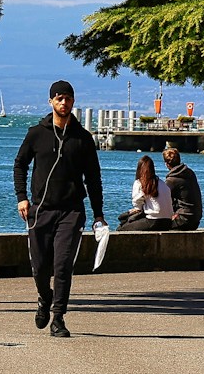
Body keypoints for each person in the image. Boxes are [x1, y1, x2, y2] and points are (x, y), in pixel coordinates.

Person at [13, 80, 106, 338]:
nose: (64, 103)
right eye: (59, 98)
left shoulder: (83, 139)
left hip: (72, 212)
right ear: (51, 102)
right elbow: (19, 165)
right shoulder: (36, 133)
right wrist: (22, 198)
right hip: (40, 210)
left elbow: (94, 179)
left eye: (68, 99)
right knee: (40, 266)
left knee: (63, 264)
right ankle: (44, 297)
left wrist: (99, 215)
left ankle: (58, 318)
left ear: (74, 102)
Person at [116, 155, 173, 231]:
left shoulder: (140, 183)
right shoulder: (162, 183)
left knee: (121, 229)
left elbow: (137, 205)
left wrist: (136, 209)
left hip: (153, 221)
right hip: (167, 222)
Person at [163, 145, 204, 230]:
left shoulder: (172, 180)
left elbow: (162, 200)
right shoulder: (190, 173)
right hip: (195, 219)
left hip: (183, 220)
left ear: (166, 164)